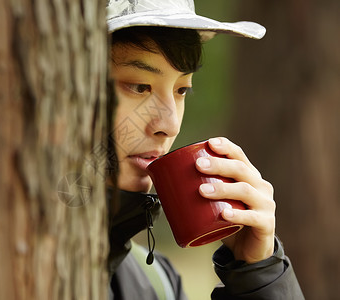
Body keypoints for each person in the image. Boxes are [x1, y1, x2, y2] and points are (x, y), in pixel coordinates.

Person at [105, 0, 304, 299]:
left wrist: (258, 275)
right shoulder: (11, 267)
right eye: (139, 86)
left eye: (182, 89)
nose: (170, 124)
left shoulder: (158, 284)